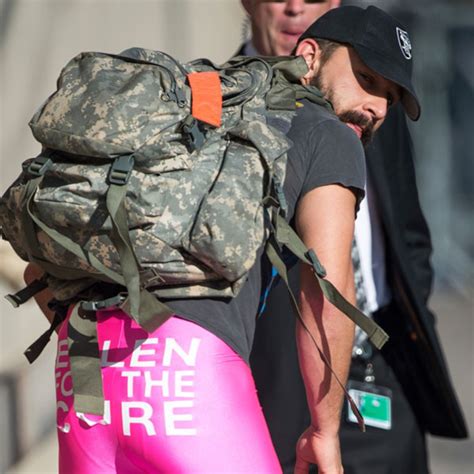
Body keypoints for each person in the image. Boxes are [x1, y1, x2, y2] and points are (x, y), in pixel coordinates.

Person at [24, 5, 420, 473]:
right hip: (188, 378)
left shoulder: (201, 104)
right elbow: (329, 293)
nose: (376, 107)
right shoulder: (329, 134)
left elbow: (39, 268)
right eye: (367, 79)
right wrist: (324, 432)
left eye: (390, 98)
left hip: (83, 373)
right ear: (309, 56)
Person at [240, 1, 468, 473]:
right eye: (368, 81)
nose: (297, 5)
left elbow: (408, 228)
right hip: (288, 382)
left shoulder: (367, 102)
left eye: (385, 91)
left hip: (387, 366)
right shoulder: (223, 102)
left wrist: (411, 314)